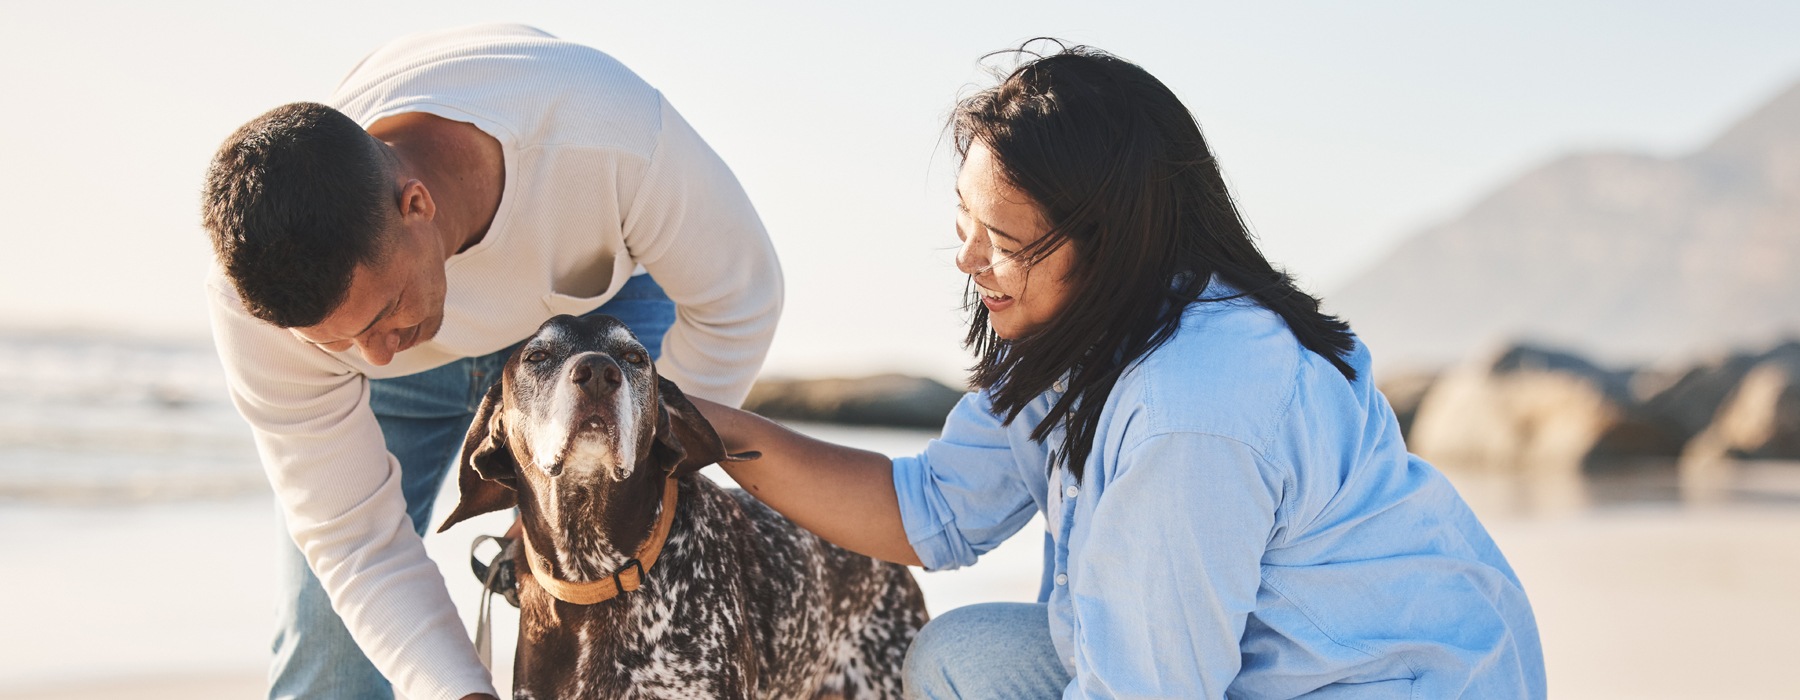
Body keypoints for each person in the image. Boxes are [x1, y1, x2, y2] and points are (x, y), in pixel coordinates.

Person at [692, 44, 1546, 698]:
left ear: (1110, 244)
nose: (969, 259)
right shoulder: (1083, 332)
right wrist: (719, 432)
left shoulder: (1192, 413)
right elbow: (931, 510)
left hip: (1390, 682)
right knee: (964, 658)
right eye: (964, 220)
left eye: (1006, 241)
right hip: (1271, 663)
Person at [200, 24, 781, 700]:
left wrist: (645, 463)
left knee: (636, 587)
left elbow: (743, 300)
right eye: (337, 342)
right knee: (328, 646)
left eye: (383, 311)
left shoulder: (608, 135)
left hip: (592, 323)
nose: (378, 356)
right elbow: (356, 546)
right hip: (472, 338)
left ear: (416, 205)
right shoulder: (257, 303)